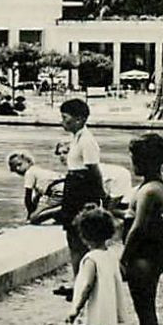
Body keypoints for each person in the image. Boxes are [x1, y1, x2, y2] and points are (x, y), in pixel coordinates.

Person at [115, 133, 163, 325]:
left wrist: (123, 258)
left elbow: (138, 228)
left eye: (136, 159)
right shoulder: (160, 182)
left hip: (145, 254)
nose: (133, 164)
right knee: (145, 309)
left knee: (145, 310)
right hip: (153, 250)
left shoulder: (150, 190)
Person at [64, 205, 134, 325]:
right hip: (104, 310)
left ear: (84, 235)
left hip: (90, 312)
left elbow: (87, 286)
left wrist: (75, 309)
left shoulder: (90, 259)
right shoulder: (110, 256)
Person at [56, 97, 107, 292]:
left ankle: (86, 279)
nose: (62, 122)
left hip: (82, 188)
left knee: (82, 235)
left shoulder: (87, 141)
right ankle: (77, 279)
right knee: (72, 236)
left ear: (79, 119)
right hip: (73, 186)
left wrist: (101, 193)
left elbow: (93, 170)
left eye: (65, 117)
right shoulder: (75, 138)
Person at [10, 150, 65, 225]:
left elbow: (27, 198)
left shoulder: (29, 173)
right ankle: (63, 211)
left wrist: (30, 215)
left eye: (19, 164)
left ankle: (61, 209)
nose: (18, 168)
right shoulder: (37, 170)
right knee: (52, 214)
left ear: (28, 162)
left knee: (34, 219)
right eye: (14, 168)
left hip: (57, 191)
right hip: (65, 186)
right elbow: (37, 197)